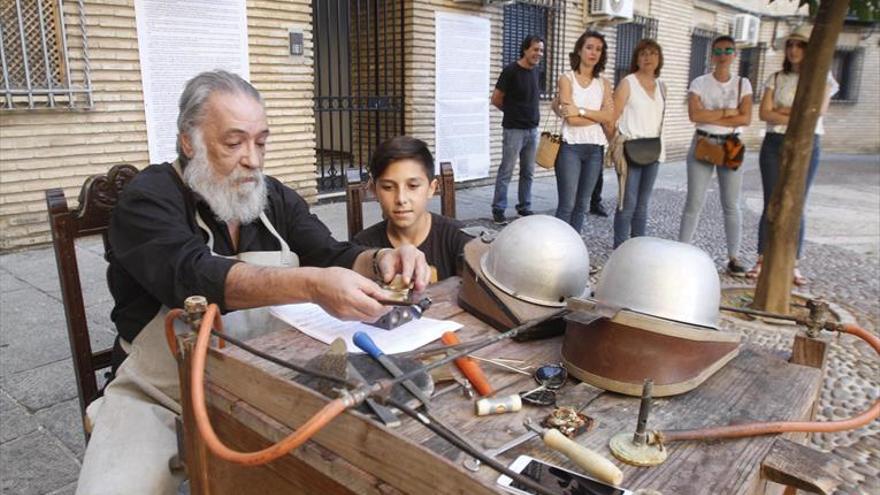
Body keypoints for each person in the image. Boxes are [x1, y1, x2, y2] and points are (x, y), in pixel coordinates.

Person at [75, 70, 430, 495]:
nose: (253, 159)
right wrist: (313, 286)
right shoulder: (148, 198)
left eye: (261, 142)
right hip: (164, 392)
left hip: (269, 378)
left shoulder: (272, 196)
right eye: (234, 142)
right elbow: (194, 279)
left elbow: (330, 253)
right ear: (189, 141)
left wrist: (380, 260)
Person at [748, 24, 838, 285]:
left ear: (809, 49)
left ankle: (792, 263)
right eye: (790, 45)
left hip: (807, 142)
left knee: (797, 203)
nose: (793, 50)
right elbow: (765, 113)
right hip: (774, 141)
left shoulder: (822, 78)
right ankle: (762, 259)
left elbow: (815, 111)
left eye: (799, 45)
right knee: (771, 202)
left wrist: (783, 109)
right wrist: (793, 110)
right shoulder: (776, 78)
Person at [678, 35, 753, 276]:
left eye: (728, 50)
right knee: (694, 201)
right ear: (712, 55)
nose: (723, 55)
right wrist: (726, 112)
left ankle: (734, 256)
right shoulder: (699, 82)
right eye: (718, 51)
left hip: (731, 144)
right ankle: (681, 251)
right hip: (703, 142)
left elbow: (745, 118)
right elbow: (694, 116)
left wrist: (710, 114)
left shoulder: (743, 84)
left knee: (731, 203)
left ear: (734, 54)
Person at [354, 136, 472, 281]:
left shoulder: (460, 240)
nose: (401, 199)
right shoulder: (362, 248)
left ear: (431, 188)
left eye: (413, 186)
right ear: (374, 190)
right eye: (388, 187)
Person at [554, 30, 614, 234]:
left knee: (583, 205)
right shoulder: (566, 79)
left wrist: (581, 110)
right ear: (579, 50)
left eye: (599, 49)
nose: (594, 53)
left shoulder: (604, 83)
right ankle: (557, 249)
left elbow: (609, 116)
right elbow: (570, 120)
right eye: (589, 47)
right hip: (570, 148)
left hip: (595, 150)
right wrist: (596, 115)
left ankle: (574, 251)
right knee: (567, 205)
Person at [612, 39, 666, 248]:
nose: (648, 58)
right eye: (643, 53)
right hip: (630, 149)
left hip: (654, 151)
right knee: (628, 202)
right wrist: (616, 144)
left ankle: (638, 249)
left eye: (653, 53)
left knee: (643, 205)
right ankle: (620, 248)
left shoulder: (662, 86)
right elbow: (612, 116)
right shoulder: (628, 82)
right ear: (636, 58)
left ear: (659, 58)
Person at [491, 35, 544, 225]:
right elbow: (496, 98)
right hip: (514, 129)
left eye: (541, 50)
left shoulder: (537, 72)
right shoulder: (510, 71)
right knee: (506, 170)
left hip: (532, 130)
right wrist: (512, 112)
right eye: (535, 49)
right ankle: (498, 209)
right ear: (525, 50)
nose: (539, 54)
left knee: (528, 171)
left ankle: (524, 207)